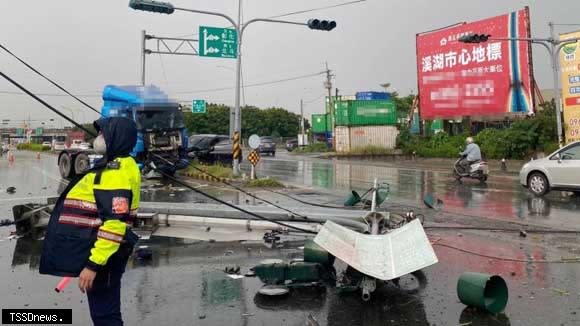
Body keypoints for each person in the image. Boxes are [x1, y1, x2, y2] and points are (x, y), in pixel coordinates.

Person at [40, 117, 141, 326]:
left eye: (104, 134)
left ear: (116, 137)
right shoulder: (121, 165)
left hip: (105, 255)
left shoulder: (116, 172)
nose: (99, 138)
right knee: (105, 312)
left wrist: (93, 265)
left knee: (105, 315)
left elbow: (114, 224)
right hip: (106, 251)